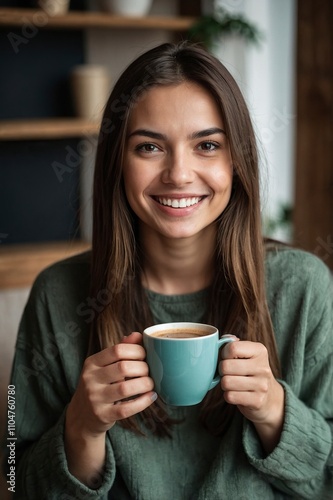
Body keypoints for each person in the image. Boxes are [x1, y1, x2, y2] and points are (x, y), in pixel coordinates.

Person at [3, 42, 333, 499]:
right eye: (149, 146)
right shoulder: (57, 293)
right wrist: (81, 428)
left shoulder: (304, 286)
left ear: (236, 162)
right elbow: (16, 477)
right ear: (118, 162)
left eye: (207, 145)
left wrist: (276, 411)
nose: (179, 174)